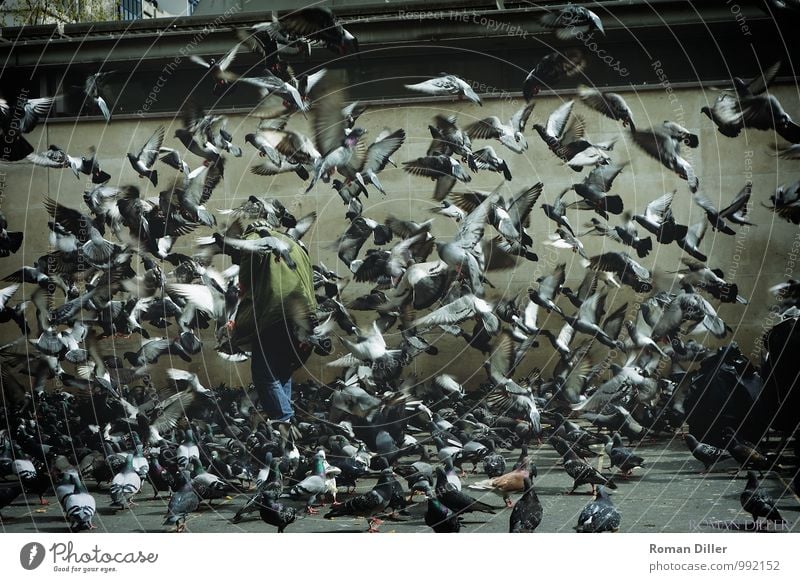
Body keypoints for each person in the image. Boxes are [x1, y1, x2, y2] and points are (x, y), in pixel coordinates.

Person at [232, 224, 317, 431]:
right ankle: (287, 424)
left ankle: (283, 420)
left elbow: (244, 282)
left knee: (264, 373)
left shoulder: (253, 240)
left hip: (276, 311)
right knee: (281, 368)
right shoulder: (293, 242)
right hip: (303, 311)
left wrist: (237, 317)